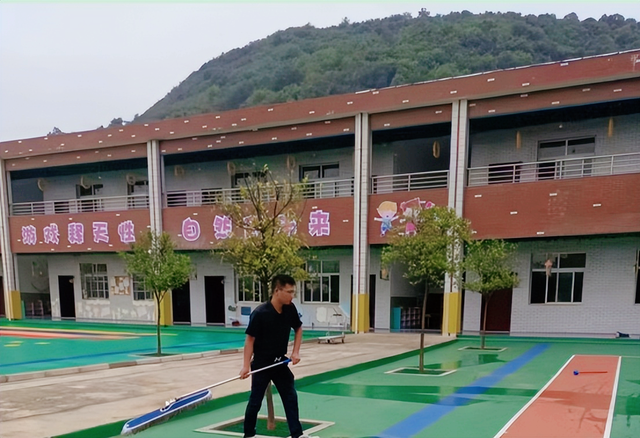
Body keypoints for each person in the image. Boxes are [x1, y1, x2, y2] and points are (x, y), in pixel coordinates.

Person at [239, 274, 317, 438]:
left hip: (280, 362)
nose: (292, 296)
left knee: (290, 397)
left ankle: (297, 434)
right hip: (262, 363)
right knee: (255, 401)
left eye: (293, 292)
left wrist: (295, 352)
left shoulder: (290, 309)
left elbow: (298, 329)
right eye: (289, 292)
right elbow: (250, 340)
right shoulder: (260, 313)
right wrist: (246, 366)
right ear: (277, 291)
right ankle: (249, 435)